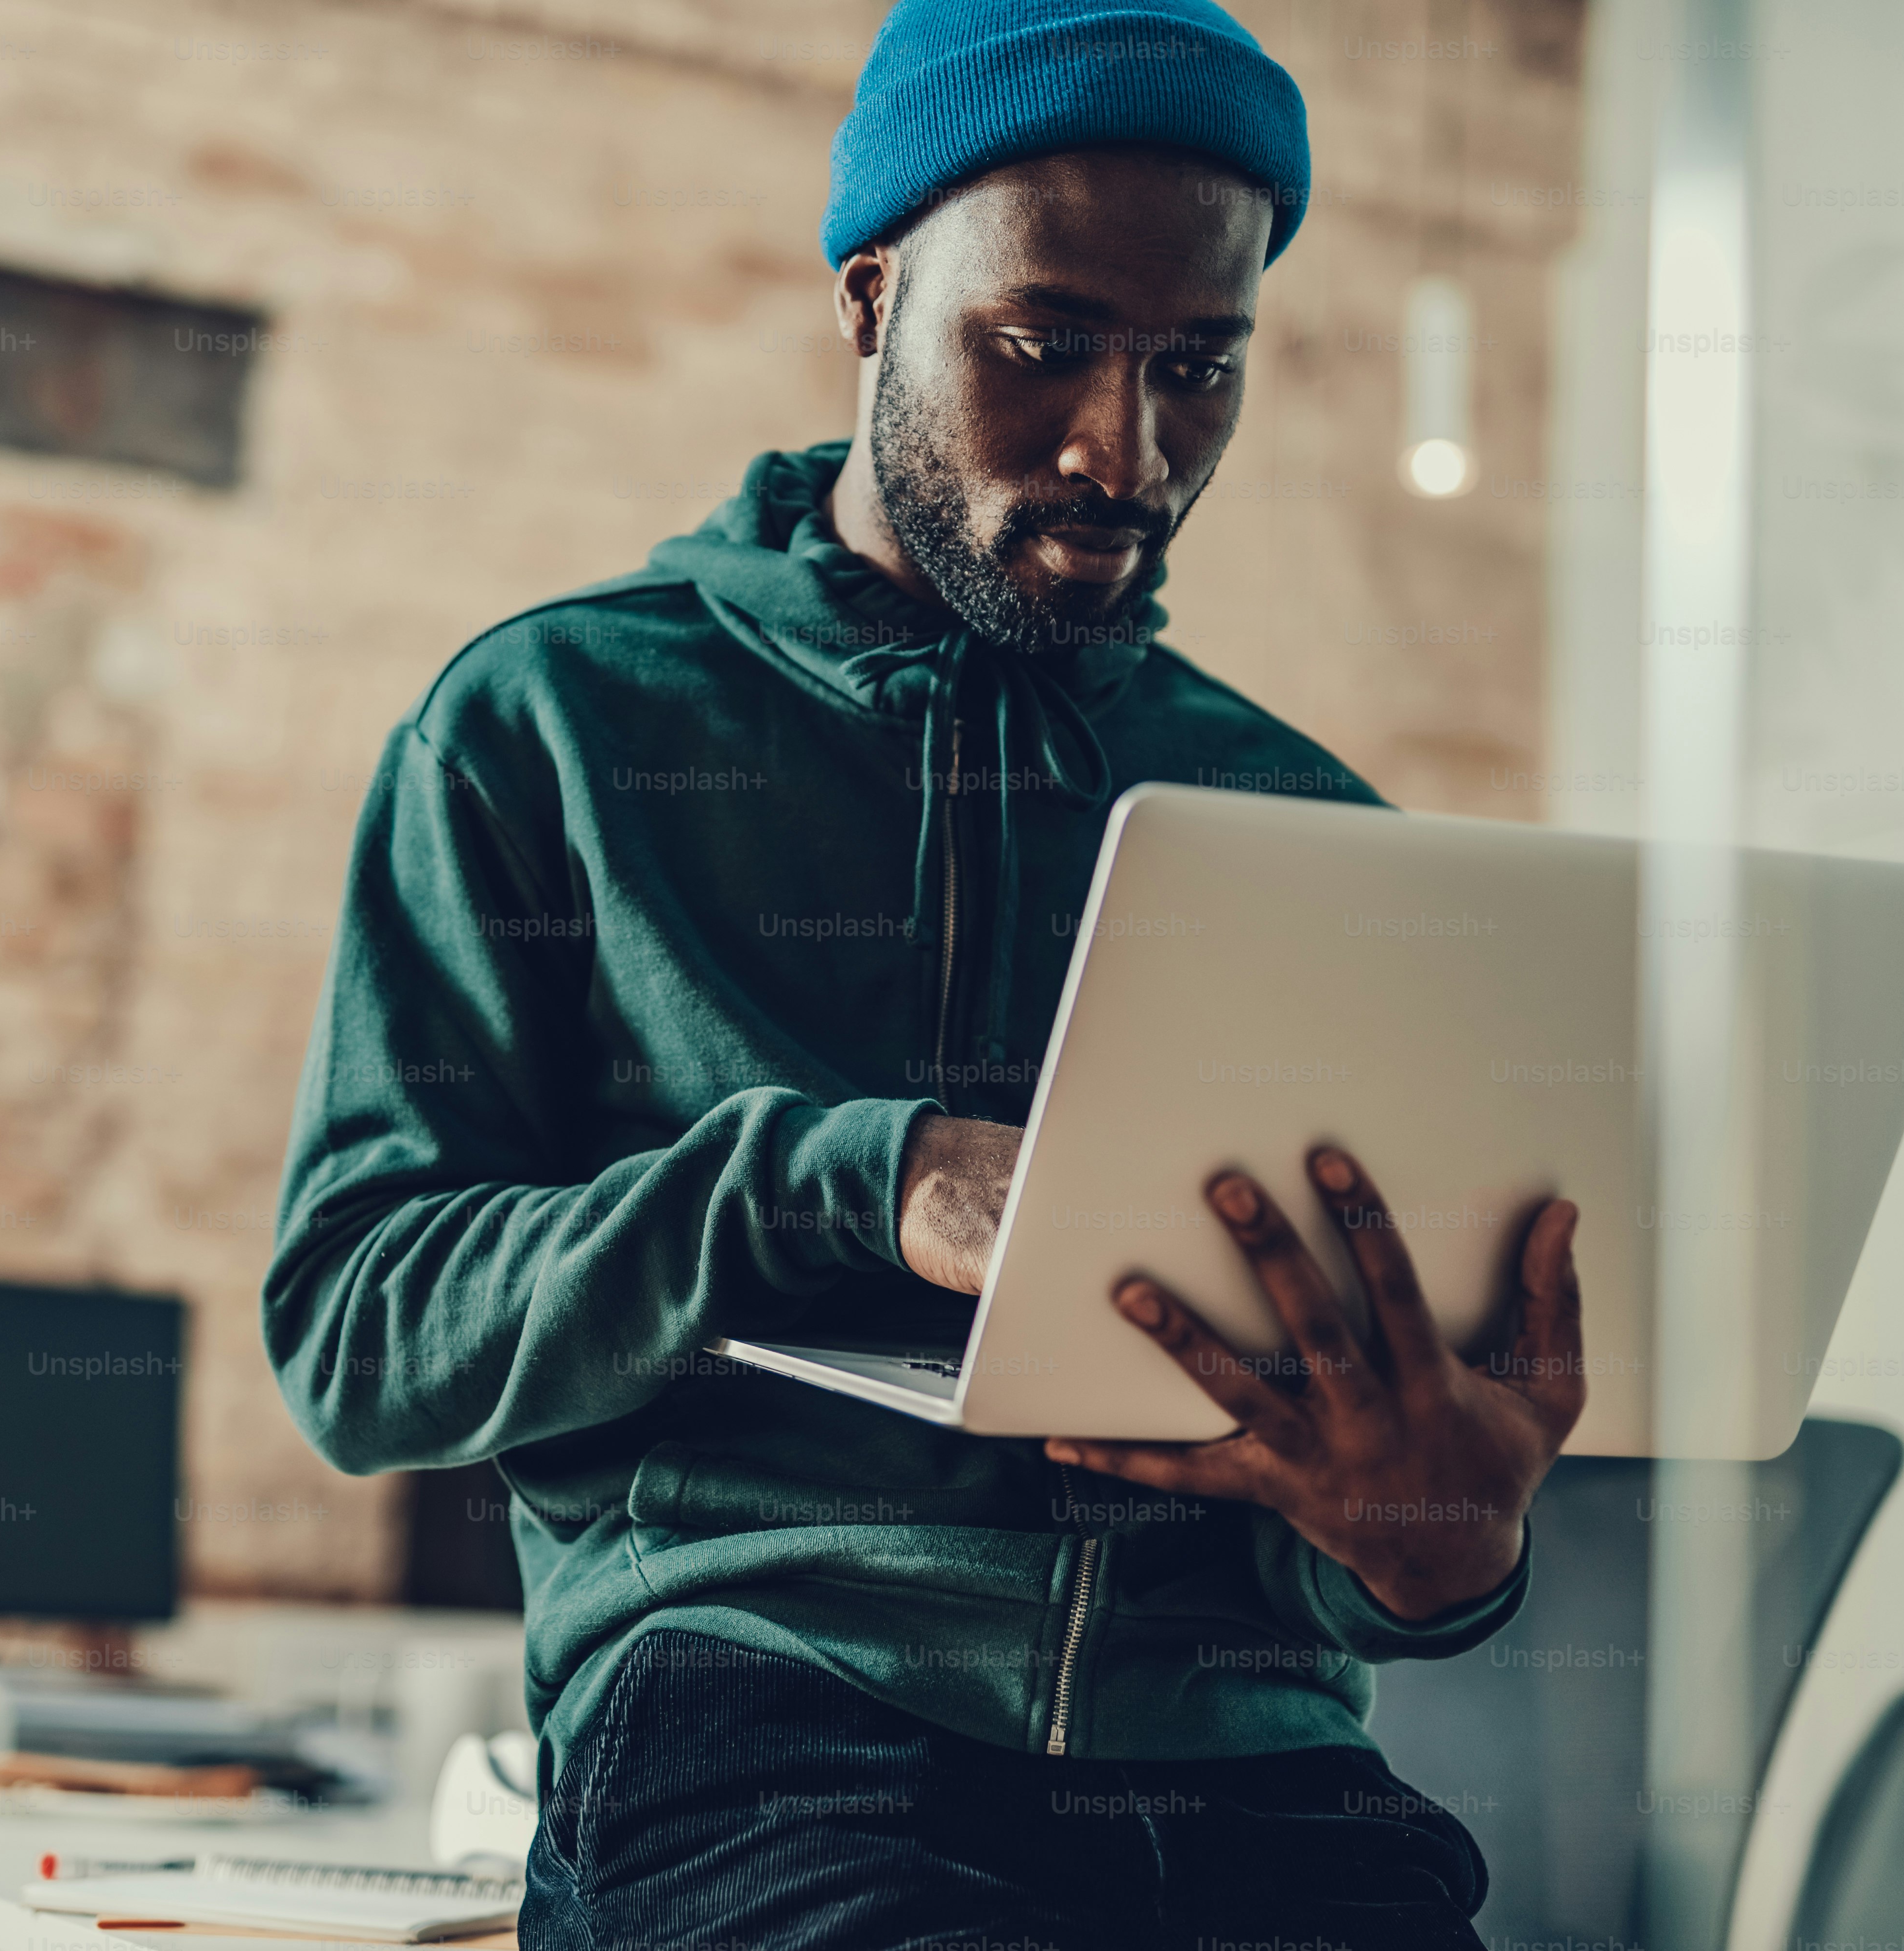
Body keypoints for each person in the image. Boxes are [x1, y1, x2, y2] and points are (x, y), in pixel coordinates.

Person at [264, 0, 1586, 1942]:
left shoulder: (1303, 824)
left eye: (1196, 370)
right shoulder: (551, 727)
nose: (1122, 452)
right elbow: (365, 1334)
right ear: (872, 300)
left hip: (1257, 1769)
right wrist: (853, 1177)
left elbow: (1348, 1529)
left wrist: (1429, 1553)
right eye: (1042, 347)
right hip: (780, 1733)